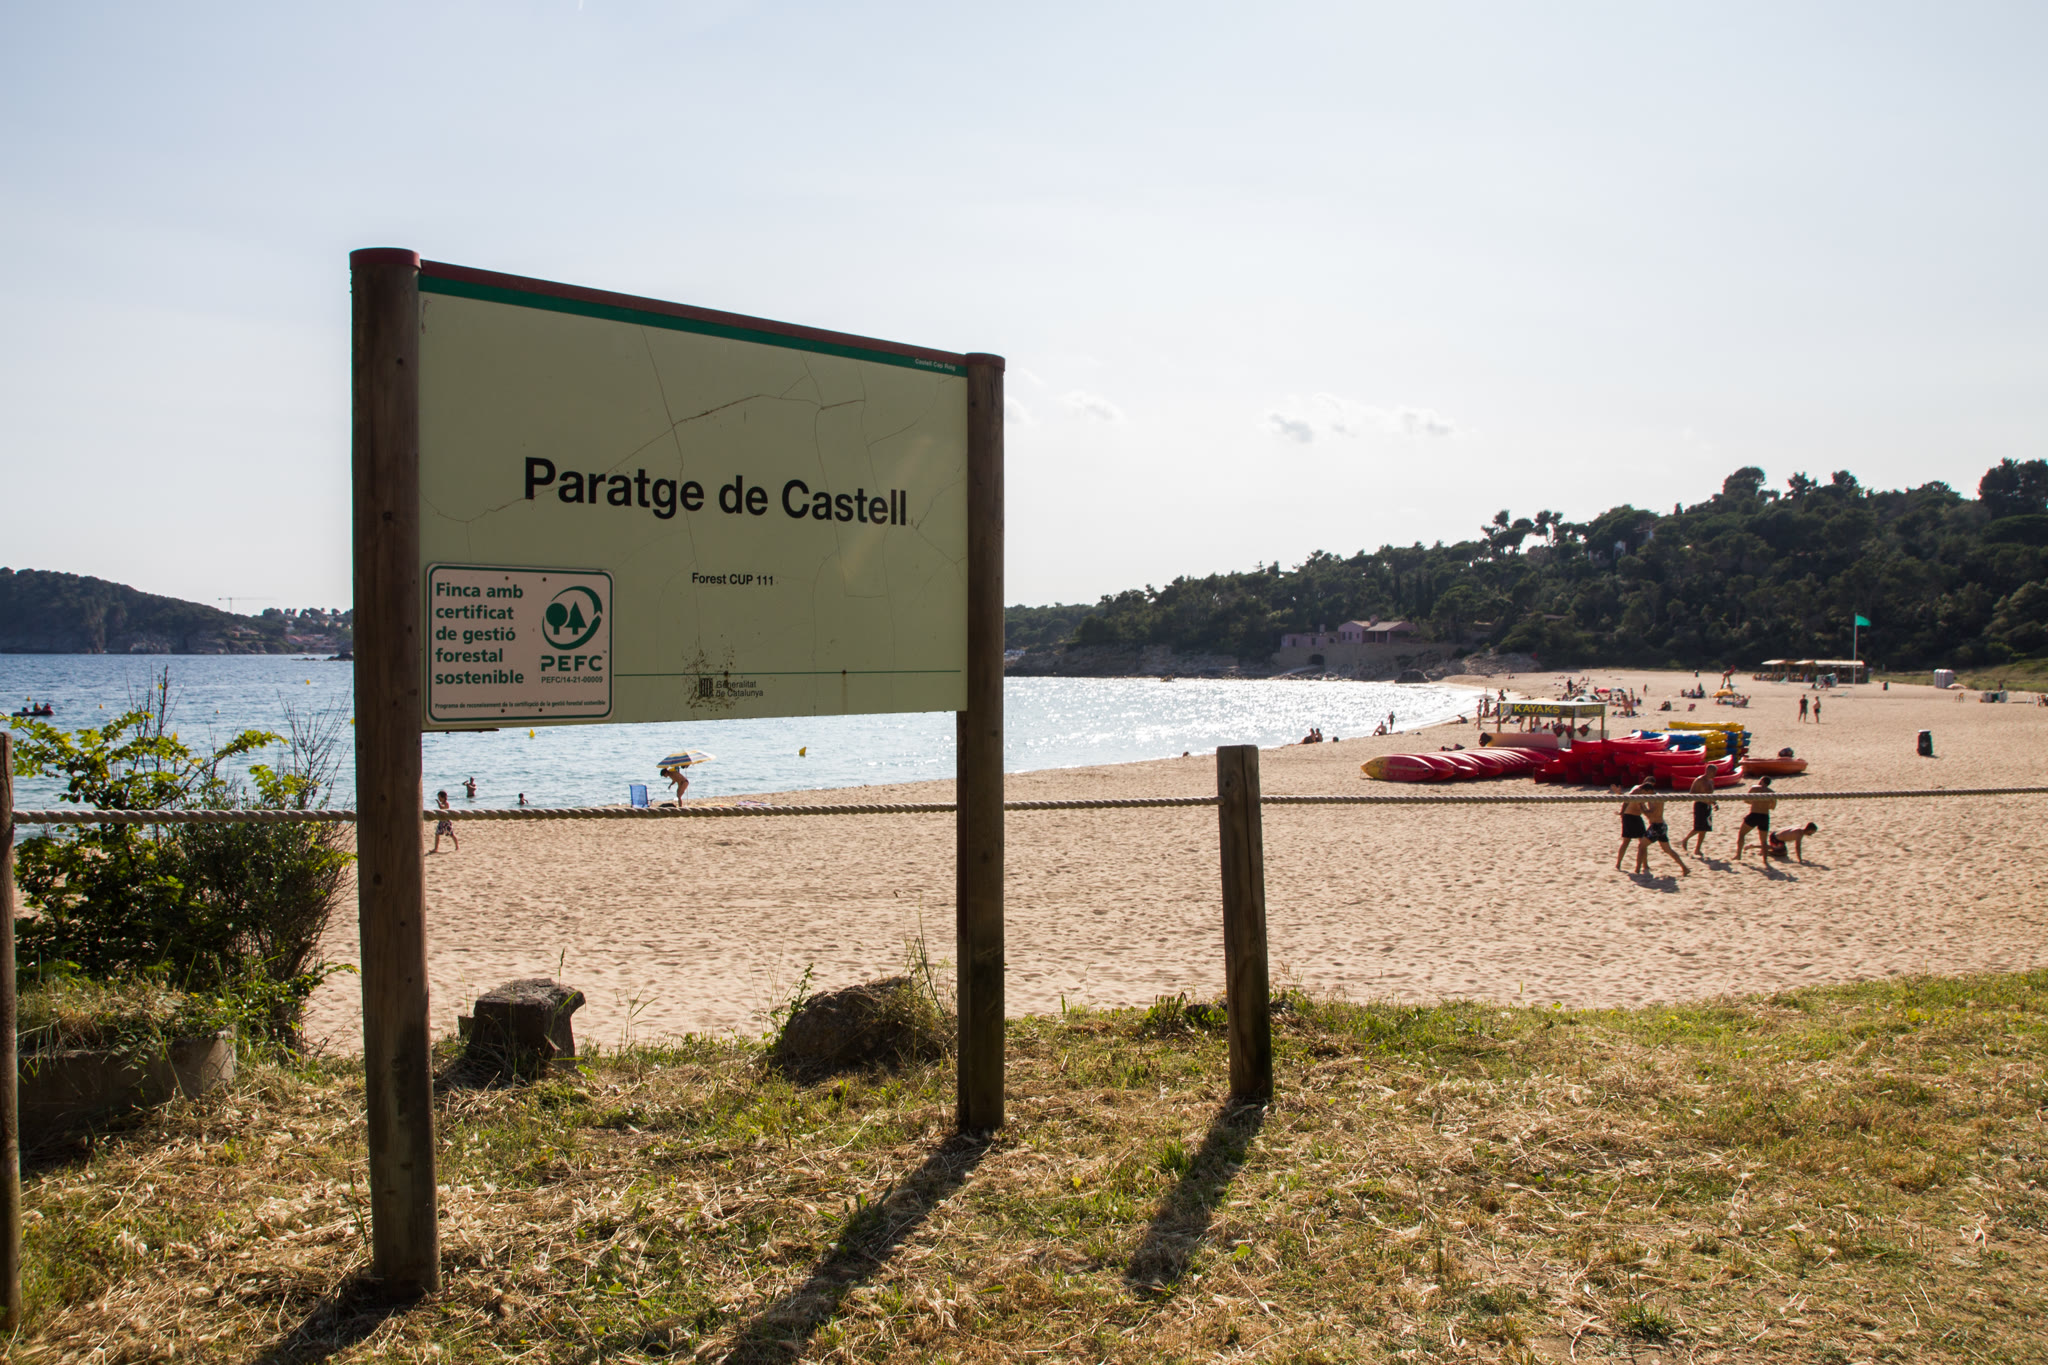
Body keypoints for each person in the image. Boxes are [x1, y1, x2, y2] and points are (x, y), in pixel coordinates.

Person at [1636, 789, 1691, 876]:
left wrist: (1642, 807)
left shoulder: (1654, 799)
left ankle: (1637, 870)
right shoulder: (1657, 796)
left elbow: (1651, 815)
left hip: (1656, 827)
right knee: (1667, 850)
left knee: (1642, 846)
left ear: (1648, 791)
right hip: (1661, 826)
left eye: (1644, 792)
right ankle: (1684, 868)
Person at [1733, 777, 1777, 860]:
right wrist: (1764, 805)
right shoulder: (1772, 792)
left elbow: (1746, 800)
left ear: (1762, 781)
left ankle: (1738, 855)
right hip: (1764, 816)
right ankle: (1765, 860)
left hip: (1754, 815)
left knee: (1742, 834)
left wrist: (1756, 803)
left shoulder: (1754, 788)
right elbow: (1773, 807)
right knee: (1763, 841)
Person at [1615, 785, 1649, 871]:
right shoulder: (1637, 790)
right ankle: (1618, 864)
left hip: (1637, 816)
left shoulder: (1644, 792)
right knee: (1626, 841)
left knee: (1643, 842)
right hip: (1629, 816)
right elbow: (1627, 800)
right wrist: (1622, 812)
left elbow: (1642, 806)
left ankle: (1645, 865)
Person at [1682, 772, 1715, 856]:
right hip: (1700, 805)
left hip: (1708, 806)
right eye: (1713, 772)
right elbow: (1691, 794)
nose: (1714, 774)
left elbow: (1711, 795)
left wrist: (1714, 803)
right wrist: (1703, 799)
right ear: (1708, 771)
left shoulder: (1711, 781)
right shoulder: (1699, 780)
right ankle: (1685, 839)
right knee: (1698, 828)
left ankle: (1697, 849)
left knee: (1705, 829)